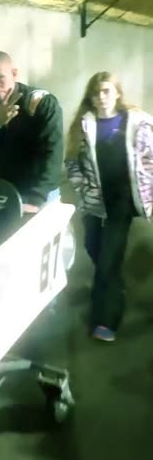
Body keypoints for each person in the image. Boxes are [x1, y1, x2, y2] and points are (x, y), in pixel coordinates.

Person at [65, 71, 153, 342]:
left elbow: (149, 159)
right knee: (93, 247)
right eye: (96, 92)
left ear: (117, 94)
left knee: (107, 261)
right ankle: (115, 288)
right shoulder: (83, 125)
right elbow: (72, 163)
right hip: (94, 202)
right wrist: (82, 188)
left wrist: (146, 188)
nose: (101, 97)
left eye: (106, 91)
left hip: (121, 203)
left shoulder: (136, 123)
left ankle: (105, 321)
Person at [0, 50, 63, 212]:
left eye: (0, 78)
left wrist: (36, 199)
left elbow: (53, 154)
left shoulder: (40, 102)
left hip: (41, 194)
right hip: (4, 192)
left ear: (14, 73)